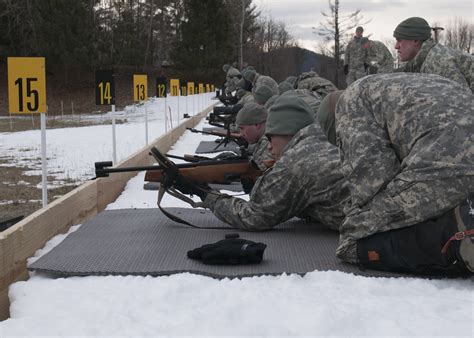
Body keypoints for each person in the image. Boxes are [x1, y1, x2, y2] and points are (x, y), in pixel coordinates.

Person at [317, 73, 474, 274]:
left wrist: (356, 213)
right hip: (452, 161)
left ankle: (458, 237)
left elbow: (375, 182)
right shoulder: (395, 84)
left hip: (452, 165)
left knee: (354, 237)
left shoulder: (349, 106)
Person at [178, 93, 349, 231]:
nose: (268, 147)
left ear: (286, 131)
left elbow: (253, 217)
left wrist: (205, 194)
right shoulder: (323, 139)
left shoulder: (295, 162)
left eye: (270, 136)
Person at [393, 17, 473, 92]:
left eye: (399, 40)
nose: (396, 46)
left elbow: (461, 99)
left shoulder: (438, 61)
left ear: (416, 40)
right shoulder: (421, 60)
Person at [235, 102, 273, 171]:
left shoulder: (267, 142)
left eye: (242, 128)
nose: (241, 134)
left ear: (256, 125)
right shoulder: (267, 138)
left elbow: (260, 173)